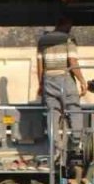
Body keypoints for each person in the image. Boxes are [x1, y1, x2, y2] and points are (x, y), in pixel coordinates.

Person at [37, 18, 88, 156]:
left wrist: (41, 84)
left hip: (48, 78)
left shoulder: (43, 41)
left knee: (52, 112)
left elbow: (40, 66)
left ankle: (56, 144)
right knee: (73, 107)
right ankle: (76, 141)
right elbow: (72, 62)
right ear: (65, 25)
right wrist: (82, 80)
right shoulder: (68, 39)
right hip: (64, 77)